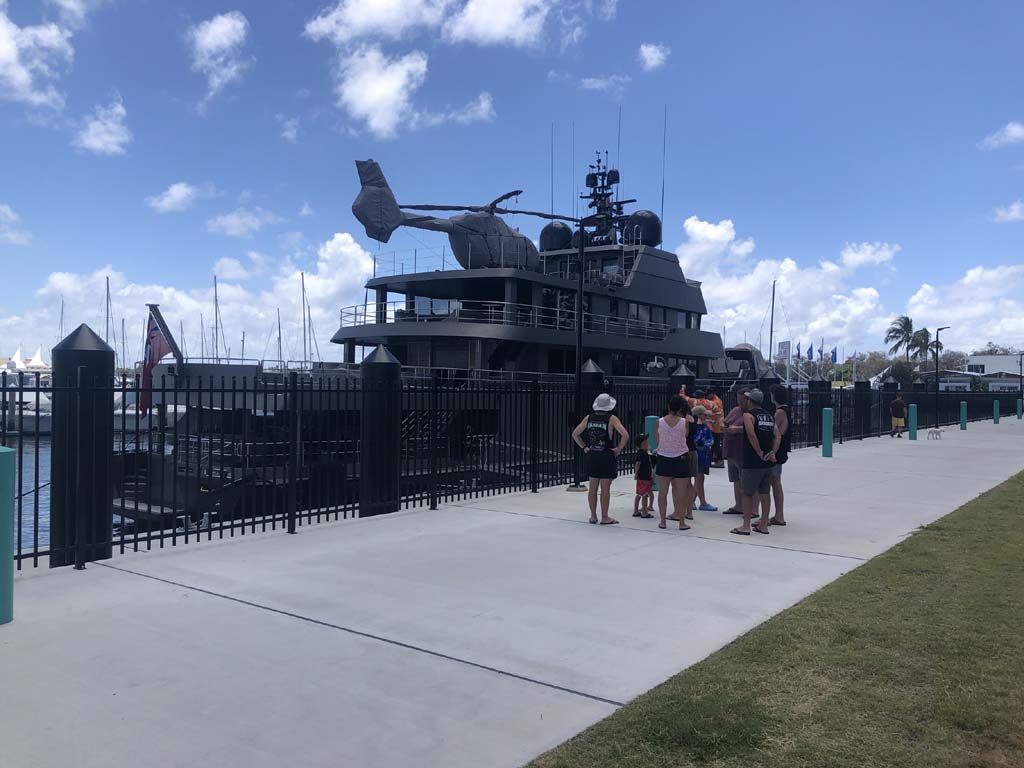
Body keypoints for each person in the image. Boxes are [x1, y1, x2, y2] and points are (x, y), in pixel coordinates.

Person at [571, 393, 629, 525]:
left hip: (593, 455)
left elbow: (575, 434)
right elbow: (625, 435)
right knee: (605, 489)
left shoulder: (588, 418)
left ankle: (593, 516)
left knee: (593, 488)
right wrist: (618, 449)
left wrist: (584, 447)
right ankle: (605, 516)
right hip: (606, 455)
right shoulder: (612, 419)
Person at [730, 388, 775, 536]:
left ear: (750, 401)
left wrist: (759, 452)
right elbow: (777, 435)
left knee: (747, 493)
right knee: (765, 492)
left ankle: (746, 525)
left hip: (752, 461)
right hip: (768, 461)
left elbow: (751, 434)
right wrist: (772, 452)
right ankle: (764, 524)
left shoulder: (748, 415)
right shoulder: (769, 416)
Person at [654, 395, 692, 530]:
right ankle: (681, 521)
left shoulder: (659, 422)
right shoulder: (684, 422)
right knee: (681, 492)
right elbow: (685, 436)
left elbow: (657, 439)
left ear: (669, 407)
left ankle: (663, 521)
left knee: (663, 492)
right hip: (681, 457)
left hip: (664, 457)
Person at [721, 386, 750, 515]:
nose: (740, 403)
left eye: (742, 400)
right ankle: (738, 506)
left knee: (745, 481)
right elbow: (725, 422)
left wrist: (737, 429)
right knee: (735, 479)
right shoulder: (735, 410)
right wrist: (723, 426)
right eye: (739, 400)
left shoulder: (751, 413)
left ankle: (749, 507)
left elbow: (754, 429)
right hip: (731, 450)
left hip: (742, 450)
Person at [767, 384, 790, 527]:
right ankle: (778, 514)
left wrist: (771, 451)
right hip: (781, 450)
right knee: (776, 482)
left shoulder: (779, 412)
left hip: (776, 451)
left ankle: (778, 515)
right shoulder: (786, 410)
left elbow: (774, 433)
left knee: (774, 483)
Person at [690, 405, 717, 511]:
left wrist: (707, 443)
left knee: (700, 478)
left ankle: (693, 501)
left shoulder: (705, 427)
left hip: (704, 455)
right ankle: (700, 502)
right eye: (704, 414)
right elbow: (694, 440)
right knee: (699, 478)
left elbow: (711, 439)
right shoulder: (692, 427)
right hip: (697, 455)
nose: (706, 416)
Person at [633, 434, 655, 518]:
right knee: (644, 495)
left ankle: (636, 511)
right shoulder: (642, 453)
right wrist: (636, 474)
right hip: (644, 477)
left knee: (639, 494)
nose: (647, 442)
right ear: (642, 444)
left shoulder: (645, 452)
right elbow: (637, 464)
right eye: (645, 441)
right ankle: (644, 512)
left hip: (643, 477)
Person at [707, 387, 726, 468]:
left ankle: (719, 460)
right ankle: (714, 459)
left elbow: (715, 414)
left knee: (716, 444)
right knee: (715, 444)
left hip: (716, 425)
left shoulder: (716, 402)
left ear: (712, 394)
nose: (707, 396)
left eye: (708, 395)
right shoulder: (716, 400)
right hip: (716, 425)